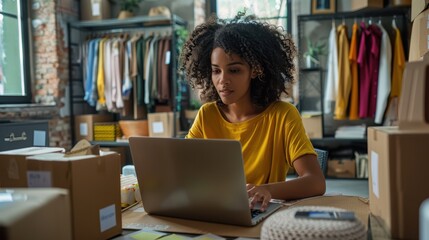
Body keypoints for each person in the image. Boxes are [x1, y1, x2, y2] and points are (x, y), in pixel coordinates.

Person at [179, 11, 325, 211]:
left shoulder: (282, 115)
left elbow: (316, 182)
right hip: (215, 210)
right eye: (216, 71)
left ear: (255, 70)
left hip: (260, 215)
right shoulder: (207, 115)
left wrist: (266, 190)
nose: (223, 80)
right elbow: (183, 169)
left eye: (234, 70)